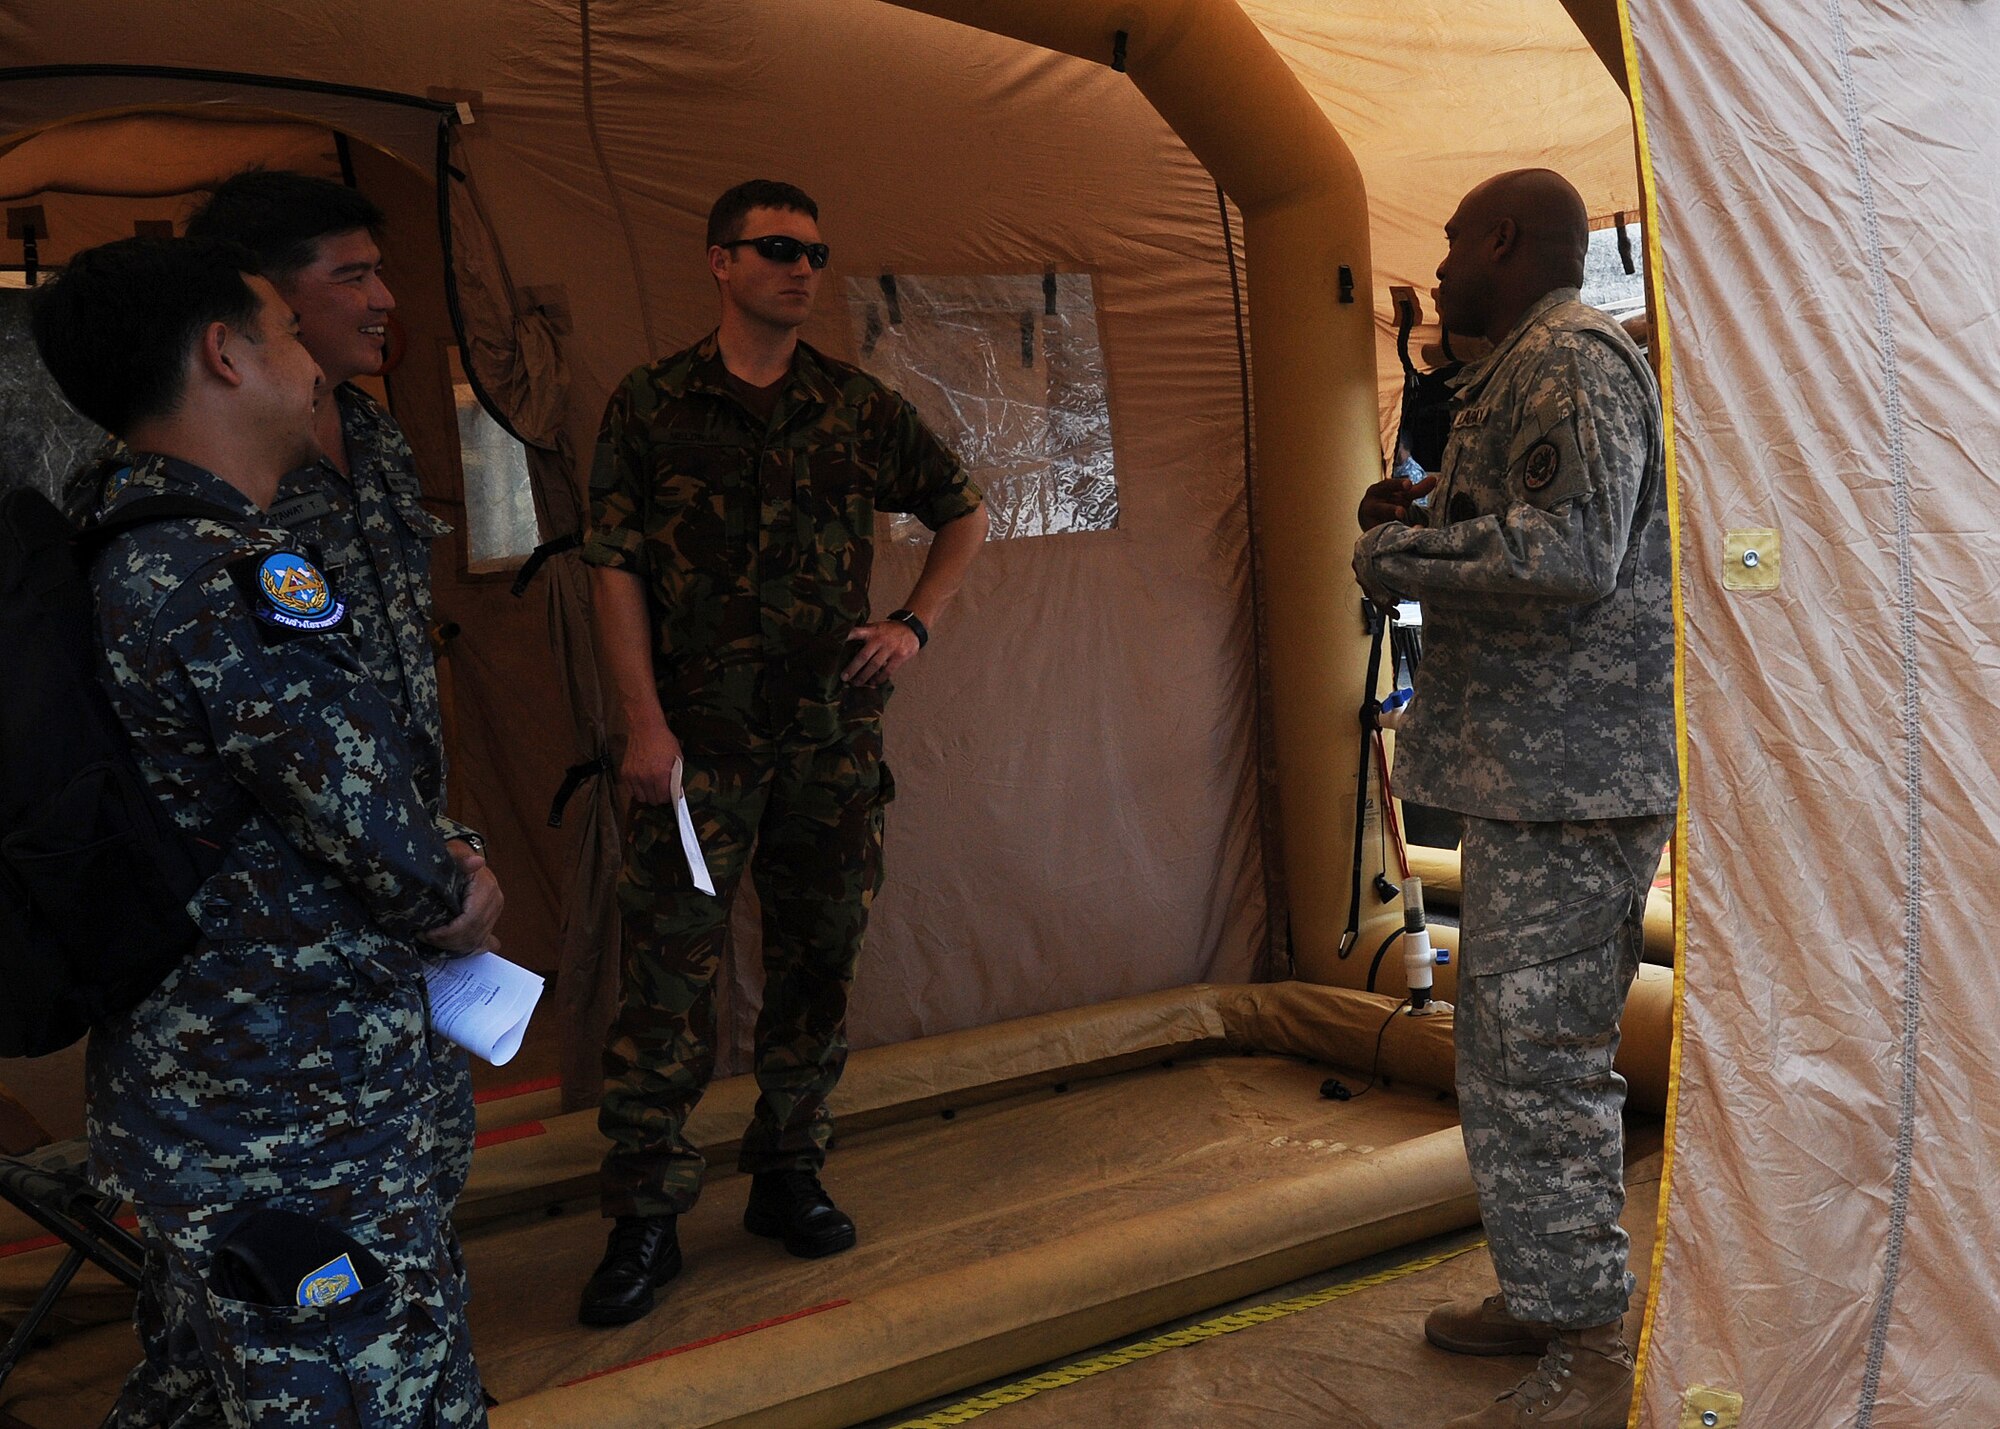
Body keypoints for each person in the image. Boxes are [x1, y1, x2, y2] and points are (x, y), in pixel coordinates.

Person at [30, 235, 488, 1427]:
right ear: (224, 355)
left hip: (196, 1089)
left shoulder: (111, 536)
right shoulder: (220, 573)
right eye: (285, 330)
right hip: (291, 1103)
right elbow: (379, 843)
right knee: (366, 1391)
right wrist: (462, 890)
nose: (313, 361)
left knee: (202, 1385)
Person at [577, 179, 988, 1326]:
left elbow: (963, 509)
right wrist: (642, 725)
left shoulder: (853, 409)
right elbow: (610, 564)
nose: (801, 269)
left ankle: (787, 1171)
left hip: (825, 745)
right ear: (720, 262)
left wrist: (913, 622)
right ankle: (644, 1214)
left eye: (815, 252)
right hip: (693, 748)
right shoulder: (653, 405)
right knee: (667, 980)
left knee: (816, 964)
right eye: (775, 249)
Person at [1352, 169, 1677, 1429]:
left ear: (1502, 239)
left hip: (1571, 786)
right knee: (1502, 1055)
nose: (1435, 271)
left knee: (1537, 1062)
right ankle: (1548, 1295)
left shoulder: (1571, 362)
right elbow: (1540, 519)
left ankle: (1593, 1345)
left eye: (1446, 244)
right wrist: (1437, 509)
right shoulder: (1526, 365)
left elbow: (1572, 553)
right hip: (1533, 778)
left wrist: (1396, 556)